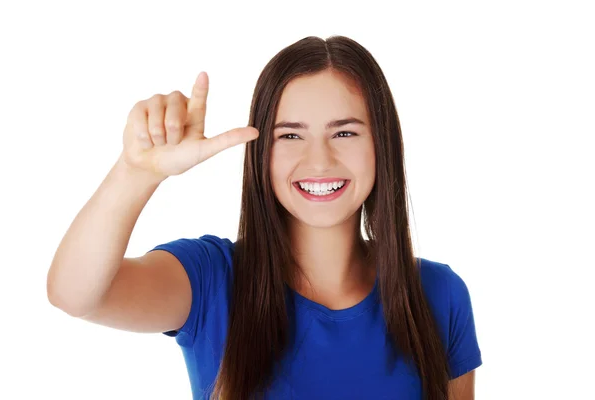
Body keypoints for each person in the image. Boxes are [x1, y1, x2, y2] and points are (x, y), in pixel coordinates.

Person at [47, 35, 482, 400]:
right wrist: (137, 172)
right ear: (261, 155)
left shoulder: (440, 295)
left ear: (382, 144)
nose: (319, 160)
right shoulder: (211, 280)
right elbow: (74, 295)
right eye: (290, 135)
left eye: (344, 132)